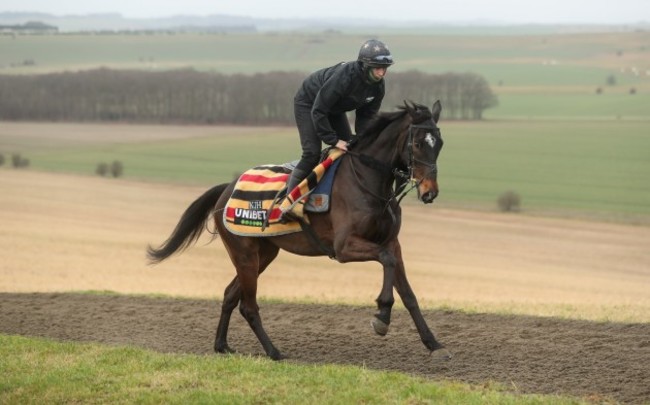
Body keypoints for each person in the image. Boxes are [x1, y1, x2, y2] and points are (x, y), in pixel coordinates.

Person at [284, 39, 394, 194]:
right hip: (309, 103)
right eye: (378, 68)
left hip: (334, 109)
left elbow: (367, 116)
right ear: (365, 65)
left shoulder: (378, 86)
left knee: (350, 148)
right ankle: (287, 201)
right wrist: (333, 140)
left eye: (384, 68)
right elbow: (319, 110)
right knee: (312, 153)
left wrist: (365, 140)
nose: (382, 73)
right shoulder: (344, 77)